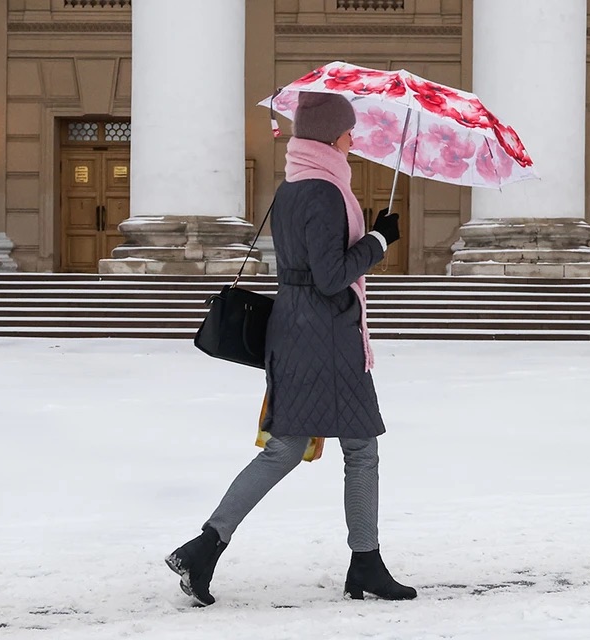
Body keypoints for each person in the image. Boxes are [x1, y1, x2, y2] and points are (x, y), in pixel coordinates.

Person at [165, 91, 415, 606]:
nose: (354, 138)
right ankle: (361, 562)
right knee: (357, 448)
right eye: (348, 130)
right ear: (330, 135)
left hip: (300, 331)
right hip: (325, 336)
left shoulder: (294, 187)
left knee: (296, 448)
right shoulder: (324, 191)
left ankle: (207, 547)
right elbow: (330, 277)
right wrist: (379, 240)